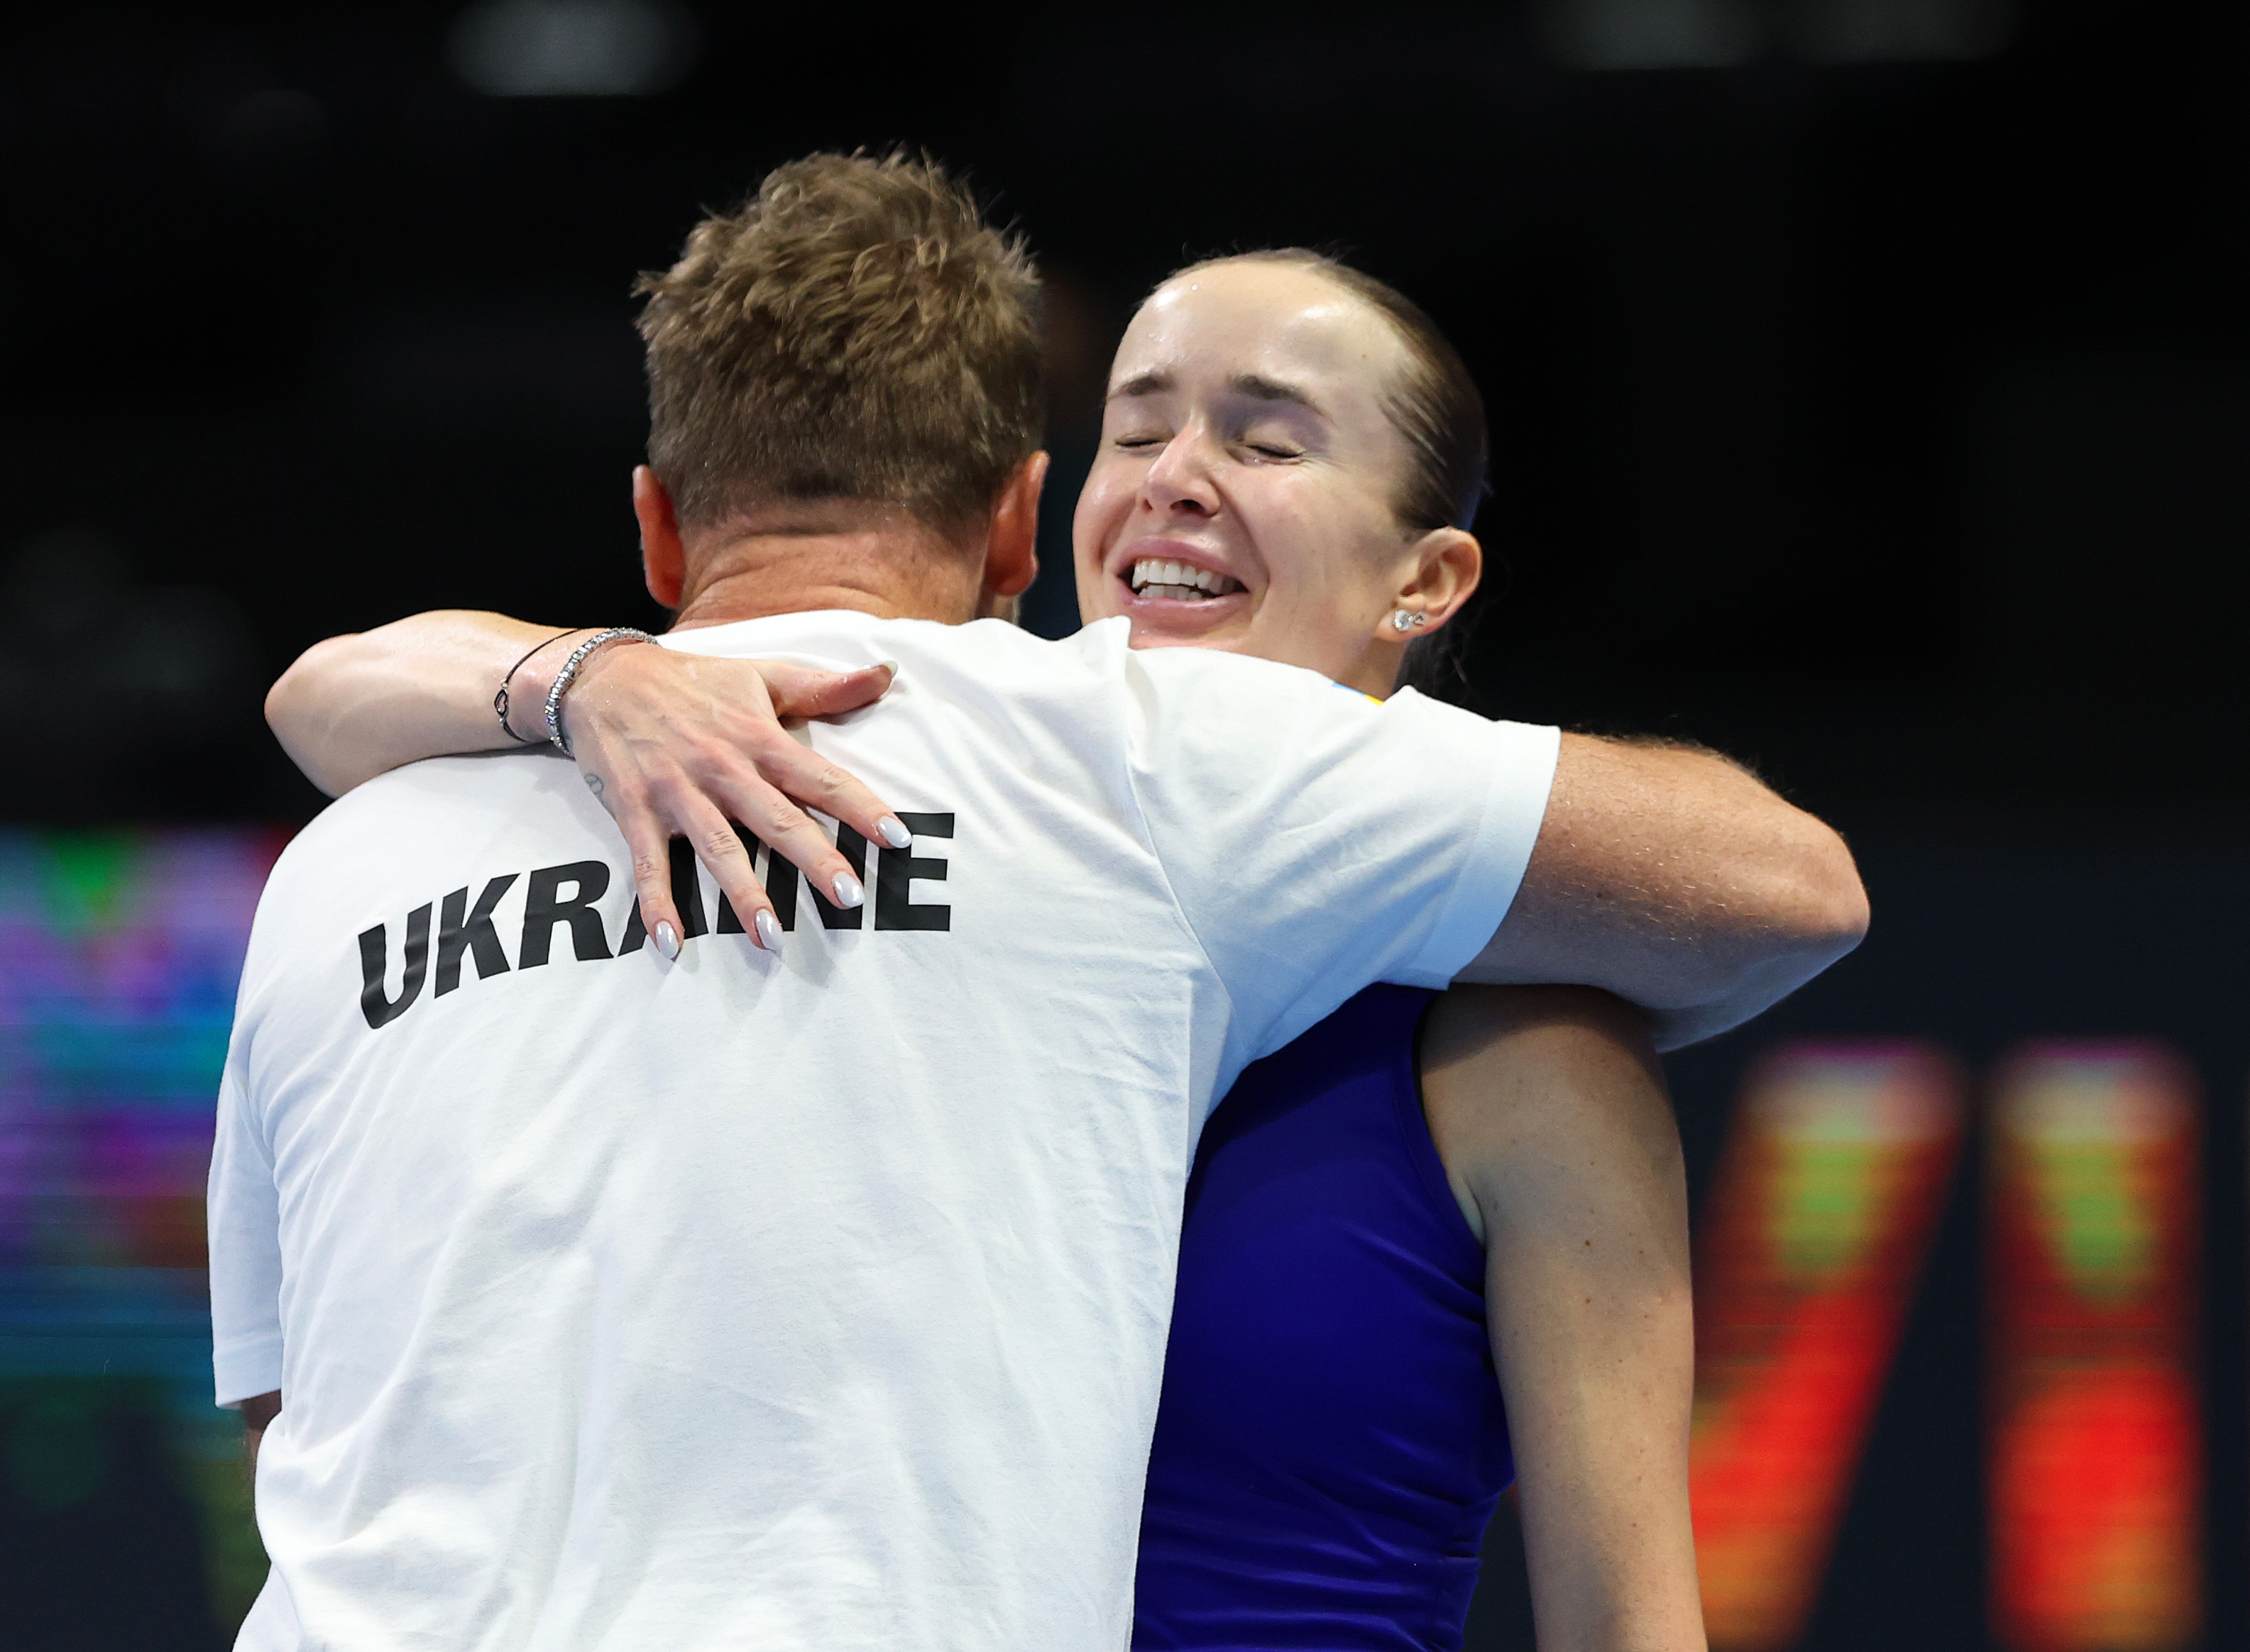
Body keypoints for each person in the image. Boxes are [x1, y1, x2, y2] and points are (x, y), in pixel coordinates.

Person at [221, 153, 1863, 1651]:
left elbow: (296, 1434)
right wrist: (575, 682)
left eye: (1268, 437)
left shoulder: (1492, 1022)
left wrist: (561, 676)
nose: (1176, 479)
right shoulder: (1081, 769)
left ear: (1424, 582)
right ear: (1029, 517)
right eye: (1136, 430)